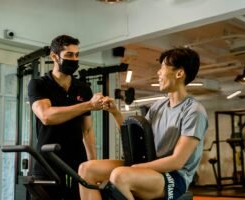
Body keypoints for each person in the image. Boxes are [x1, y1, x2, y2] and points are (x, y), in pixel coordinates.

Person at [78, 47, 209, 200]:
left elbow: (177, 161)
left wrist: (134, 168)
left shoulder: (194, 111)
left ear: (179, 73)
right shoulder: (158, 106)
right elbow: (135, 138)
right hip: (150, 167)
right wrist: (115, 112)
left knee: (120, 175)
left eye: (163, 68)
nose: (159, 73)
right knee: (86, 169)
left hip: (173, 177)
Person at [28, 35, 104, 199]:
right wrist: (89, 105)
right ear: (54, 56)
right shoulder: (39, 84)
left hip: (77, 163)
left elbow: (88, 130)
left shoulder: (83, 89)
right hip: (47, 162)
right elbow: (46, 116)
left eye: (77, 55)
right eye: (69, 55)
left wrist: (93, 165)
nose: (74, 59)